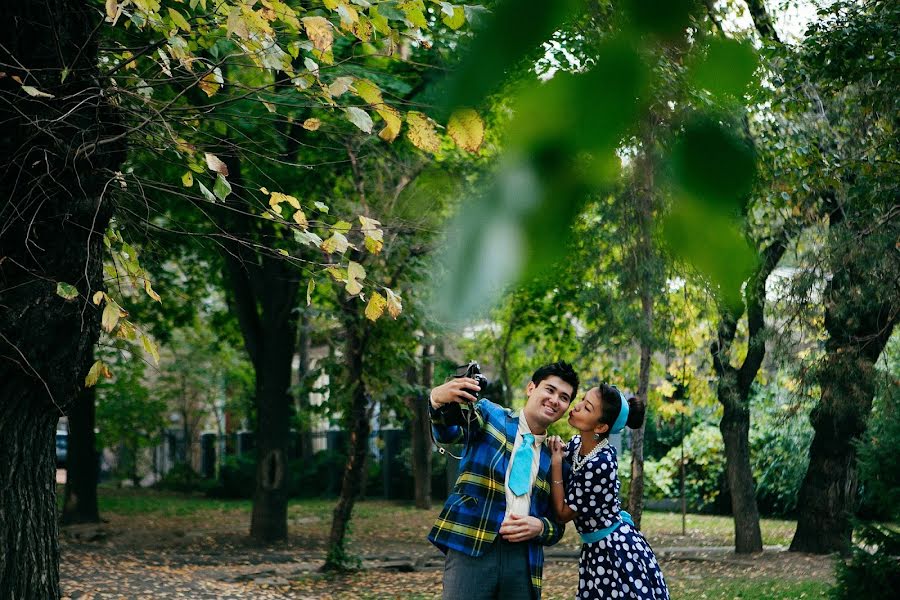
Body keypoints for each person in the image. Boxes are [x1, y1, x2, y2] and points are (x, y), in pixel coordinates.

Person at [428, 361, 580, 600]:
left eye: (563, 397)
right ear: (531, 388)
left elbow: (558, 524)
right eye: (549, 390)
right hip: (472, 544)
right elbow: (449, 432)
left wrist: (540, 526)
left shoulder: (558, 459)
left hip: (523, 560)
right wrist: (437, 401)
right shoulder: (490, 415)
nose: (554, 400)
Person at [548, 384, 669, 600]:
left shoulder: (601, 464)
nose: (576, 408)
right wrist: (557, 449)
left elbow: (563, 513)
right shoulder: (578, 445)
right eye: (582, 401)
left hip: (614, 553)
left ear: (601, 427)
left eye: (587, 408)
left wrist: (556, 463)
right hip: (596, 550)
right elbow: (565, 455)